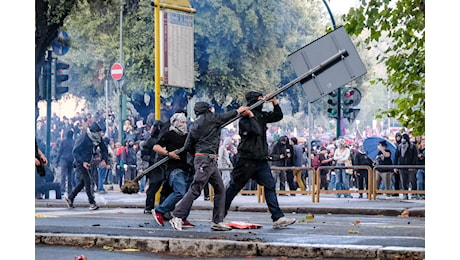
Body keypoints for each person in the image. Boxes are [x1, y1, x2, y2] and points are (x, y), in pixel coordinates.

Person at [169, 101, 249, 231]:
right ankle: (177, 216)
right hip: (207, 160)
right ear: (208, 109)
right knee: (196, 188)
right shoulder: (212, 118)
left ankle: (217, 221)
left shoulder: (194, 125)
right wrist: (239, 111)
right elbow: (227, 116)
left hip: (204, 159)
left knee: (220, 189)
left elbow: (188, 146)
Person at [224, 91, 296, 229]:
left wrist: (274, 102)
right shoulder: (244, 119)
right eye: (260, 99)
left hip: (260, 160)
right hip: (246, 159)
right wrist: (250, 116)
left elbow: (278, 116)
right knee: (234, 187)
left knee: (269, 185)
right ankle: (219, 215)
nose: (263, 102)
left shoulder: (261, 116)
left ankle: (278, 217)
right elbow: (256, 130)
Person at [152, 112, 195, 227]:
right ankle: (159, 210)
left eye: (185, 122)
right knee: (179, 192)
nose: (184, 124)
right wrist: (168, 153)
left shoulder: (187, 136)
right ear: (175, 123)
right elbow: (156, 146)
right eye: (181, 122)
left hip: (187, 168)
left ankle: (181, 217)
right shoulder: (169, 134)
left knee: (189, 195)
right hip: (174, 169)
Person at [65, 122, 109, 210]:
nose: (99, 134)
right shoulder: (84, 137)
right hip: (80, 162)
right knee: (88, 181)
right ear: (93, 132)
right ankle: (92, 202)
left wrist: (104, 160)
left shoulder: (98, 139)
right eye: (97, 132)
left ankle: (71, 197)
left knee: (83, 182)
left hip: (89, 162)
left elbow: (104, 149)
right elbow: (75, 151)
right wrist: (82, 162)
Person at [394, 133, 418, 200]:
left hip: (411, 167)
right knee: (404, 181)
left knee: (412, 180)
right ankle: (405, 194)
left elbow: (415, 157)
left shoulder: (412, 146)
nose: (403, 139)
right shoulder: (399, 146)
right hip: (402, 166)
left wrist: (413, 166)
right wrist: (395, 166)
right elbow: (396, 157)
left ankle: (414, 194)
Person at [55, 130, 75, 195]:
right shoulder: (74, 142)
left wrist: (57, 161)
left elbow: (60, 151)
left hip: (64, 159)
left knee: (63, 175)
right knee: (70, 175)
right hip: (71, 160)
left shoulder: (63, 142)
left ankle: (62, 189)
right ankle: (70, 190)